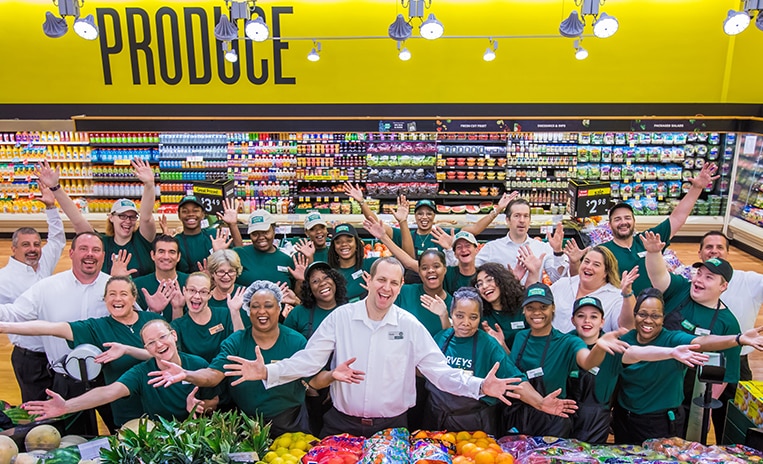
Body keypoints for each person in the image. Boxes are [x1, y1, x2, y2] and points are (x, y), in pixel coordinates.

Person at [214, 257, 570, 438]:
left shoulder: (409, 325)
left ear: (401, 286)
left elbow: (440, 373)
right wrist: (268, 372)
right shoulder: (340, 318)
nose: (387, 288)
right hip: (341, 425)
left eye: (395, 283)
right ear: (369, 280)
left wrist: (480, 386)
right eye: (381, 280)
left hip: (393, 428)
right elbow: (309, 361)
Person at [147, 281, 317, 437]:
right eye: (255, 306)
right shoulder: (236, 341)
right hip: (247, 423)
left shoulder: (296, 341)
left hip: (291, 422)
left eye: (268, 306)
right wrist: (186, 374)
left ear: (279, 309)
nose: (262, 311)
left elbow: (314, 380)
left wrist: (332, 376)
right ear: (248, 310)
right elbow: (213, 375)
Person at [0, 276, 162, 430]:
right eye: (112, 294)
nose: (117, 299)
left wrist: (127, 350)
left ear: (134, 299)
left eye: (123, 294)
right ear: (105, 300)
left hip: (162, 403)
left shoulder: (152, 320)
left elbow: (169, 357)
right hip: (126, 408)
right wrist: (5, 327)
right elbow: (51, 328)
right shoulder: (96, 327)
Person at [612, 287, 763, 444]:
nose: (648, 320)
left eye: (655, 316)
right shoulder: (625, 341)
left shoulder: (673, 340)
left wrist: (738, 339)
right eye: (643, 314)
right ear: (635, 315)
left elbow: (701, 342)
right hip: (624, 417)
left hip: (660, 423)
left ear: (663, 318)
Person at [424, 287, 577, 436]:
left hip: (473, 425)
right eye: (459, 316)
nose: (466, 323)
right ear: (451, 314)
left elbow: (516, 380)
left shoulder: (488, 344)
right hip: (437, 419)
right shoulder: (441, 338)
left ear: (480, 317)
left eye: (473, 317)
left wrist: (540, 403)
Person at [0, 232, 110, 435]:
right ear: (72, 253)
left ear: (103, 255)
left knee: (121, 432)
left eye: (95, 250)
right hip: (66, 380)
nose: (90, 254)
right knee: (74, 440)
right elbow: (15, 313)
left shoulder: (114, 287)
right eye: (84, 249)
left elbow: (134, 324)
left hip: (109, 377)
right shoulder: (46, 288)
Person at [566, 294, 709, 444]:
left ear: (602, 321)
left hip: (605, 421)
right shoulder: (565, 343)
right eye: (581, 316)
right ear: (573, 320)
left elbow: (635, 353)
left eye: (593, 316)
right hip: (570, 417)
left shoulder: (615, 345)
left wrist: (670, 352)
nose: (587, 321)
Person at [643, 230, 742, 440]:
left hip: (689, 395)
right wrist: (653, 253)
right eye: (699, 274)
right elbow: (658, 276)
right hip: (653, 378)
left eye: (709, 277)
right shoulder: (680, 290)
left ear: (723, 286)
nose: (699, 280)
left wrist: (703, 412)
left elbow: (724, 375)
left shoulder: (728, 323)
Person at [22, 319, 219, 423]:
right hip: (158, 435)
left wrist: (199, 406)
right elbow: (109, 392)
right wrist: (67, 406)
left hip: (196, 431)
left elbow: (214, 401)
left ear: (174, 336)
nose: (159, 345)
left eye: (162, 337)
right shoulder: (141, 373)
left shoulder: (197, 363)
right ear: (146, 349)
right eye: (151, 343)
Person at [506, 282, 629, 437]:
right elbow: (513, 372)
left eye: (543, 307)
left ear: (553, 308)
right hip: (519, 419)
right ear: (524, 311)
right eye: (531, 308)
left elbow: (588, 361)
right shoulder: (519, 337)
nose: (537, 313)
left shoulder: (568, 342)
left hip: (552, 422)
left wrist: (599, 347)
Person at [344, 183, 514, 282]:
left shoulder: (443, 233)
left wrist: (497, 209)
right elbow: (376, 223)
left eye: (429, 213)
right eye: (420, 213)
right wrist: (362, 202)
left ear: (434, 216)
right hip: (410, 284)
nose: (424, 217)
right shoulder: (404, 233)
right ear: (415, 216)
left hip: (440, 284)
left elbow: (475, 229)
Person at [598, 162, 718, 295]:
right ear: (609, 225)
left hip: (653, 307)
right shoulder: (603, 251)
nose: (623, 222)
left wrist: (696, 188)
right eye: (617, 219)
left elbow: (677, 218)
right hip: (622, 308)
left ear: (634, 221)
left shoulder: (648, 239)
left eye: (627, 218)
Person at [37, 159, 158, 277]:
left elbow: (146, 217)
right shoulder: (101, 242)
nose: (128, 221)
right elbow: (77, 220)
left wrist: (149, 185)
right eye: (122, 216)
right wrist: (55, 188)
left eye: (132, 217)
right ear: (111, 218)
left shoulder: (142, 240)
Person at [0, 182, 65, 402]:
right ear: (14, 248)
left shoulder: (43, 262)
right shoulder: (3, 278)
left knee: (59, 404)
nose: (33, 249)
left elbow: (57, 239)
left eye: (36, 244)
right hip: (29, 356)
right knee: (36, 409)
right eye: (26, 245)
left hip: (54, 352)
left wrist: (51, 207)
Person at [284, 261, 348, 434]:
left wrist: (336, 385)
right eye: (315, 281)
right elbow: (287, 351)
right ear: (309, 289)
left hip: (343, 385)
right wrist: (306, 384)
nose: (323, 283)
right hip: (308, 389)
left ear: (335, 281)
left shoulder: (350, 311)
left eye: (327, 277)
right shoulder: (299, 313)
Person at [696, 230, 763, 381]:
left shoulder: (749, 280)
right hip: (697, 354)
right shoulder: (691, 278)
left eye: (720, 247)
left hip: (736, 356)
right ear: (700, 253)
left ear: (727, 252)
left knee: (735, 401)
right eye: (709, 247)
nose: (714, 251)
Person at [475, 198, 567, 284]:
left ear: (529, 220)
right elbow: (471, 271)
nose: (522, 220)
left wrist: (558, 252)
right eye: (517, 216)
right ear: (507, 220)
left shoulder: (542, 248)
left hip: (532, 299)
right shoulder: (492, 248)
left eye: (526, 216)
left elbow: (556, 279)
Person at [547, 246, 635, 333]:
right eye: (586, 261)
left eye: (596, 265)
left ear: (606, 272)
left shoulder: (616, 297)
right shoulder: (562, 284)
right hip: (553, 346)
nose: (588, 267)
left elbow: (626, 328)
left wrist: (627, 294)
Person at [170, 272, 245, 362]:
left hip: (225, 370)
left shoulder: (224, 314)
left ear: (210, 294)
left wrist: (235, 312)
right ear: (184, 291)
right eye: (192, 290)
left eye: (203, 292)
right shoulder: (177, 325)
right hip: (194, 374)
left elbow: (242, 345)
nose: (197, 296)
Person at [159, 195, 243, 273]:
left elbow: (240, 254)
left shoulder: (214, 235)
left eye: (195, 211)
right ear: (179, 215)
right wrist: (165, 243)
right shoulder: (176, 242)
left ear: (203, 214)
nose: (190, 214)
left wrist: (233, 225)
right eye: (185, 211)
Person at [233, 210, 295, 287]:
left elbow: (296, 292)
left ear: (274, 230)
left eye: (265, 232)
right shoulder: (239, 254)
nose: (261, 237)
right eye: (255, 234)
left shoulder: (286, 260)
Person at [133, 234, 188, 321]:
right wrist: (153, 311)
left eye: (172, 252)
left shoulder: (190, 282)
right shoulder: (137, 285)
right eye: (161, 251)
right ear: (152, 255)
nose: (166, 257)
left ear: (178, 257)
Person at [474, 263, 526, 352]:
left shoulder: (523, 309)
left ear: (502, 280)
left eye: (489, 280)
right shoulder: (481, 316)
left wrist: (502, 345)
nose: (485, 286)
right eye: (480, 284)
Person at [327, 223, 377, 302]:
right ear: (333, 247)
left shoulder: (371, 265)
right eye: (338, 242)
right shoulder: (329, 273)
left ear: (357, 243)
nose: (343, 244)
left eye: (349, 241)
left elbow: (401, 262)